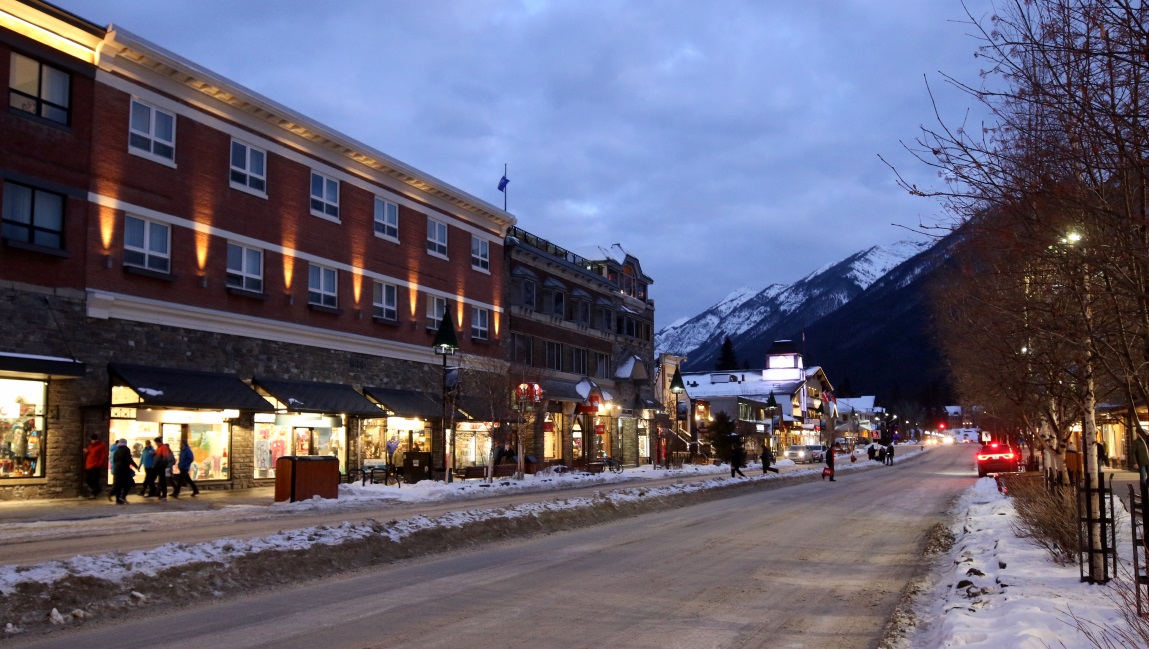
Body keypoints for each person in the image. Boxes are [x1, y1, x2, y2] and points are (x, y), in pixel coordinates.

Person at [110, 439, 138, 504]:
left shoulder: (116, 450)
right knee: (129, 483)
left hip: (117, 469)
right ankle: (122, 497)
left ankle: (118, 499)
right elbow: (129, 459)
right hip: (124, 469)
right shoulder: (126, 449)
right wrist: (135, 466)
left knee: (118, 484)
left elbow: (114, 460)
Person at [83, 434, 109, 500]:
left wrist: (99, 464)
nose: (92, 441)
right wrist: (86, 452)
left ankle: (93, 493)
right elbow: (89, 454)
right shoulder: (90, 446)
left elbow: (103, 456)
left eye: (93, 440)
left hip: (95, 465)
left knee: (95, 480)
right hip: (89, 465)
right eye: (92, 440)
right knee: (87, 479)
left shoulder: (101, 445)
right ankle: (96, 489)